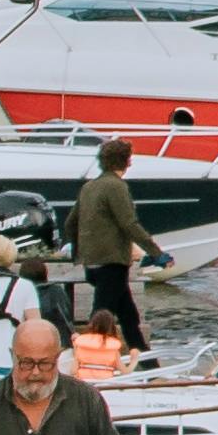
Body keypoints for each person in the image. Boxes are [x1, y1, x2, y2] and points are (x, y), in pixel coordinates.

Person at [68, 137, 147, 356]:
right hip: (112, 264)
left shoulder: (89, 187)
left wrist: (78, 252)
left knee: (129, 317)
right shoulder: (116, 186)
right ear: (126, 162)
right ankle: (85, 362)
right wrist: (156, 252)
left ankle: (150, 367)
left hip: (91, 264)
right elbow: (128, 223)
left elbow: (71, 223)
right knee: (100, 319)